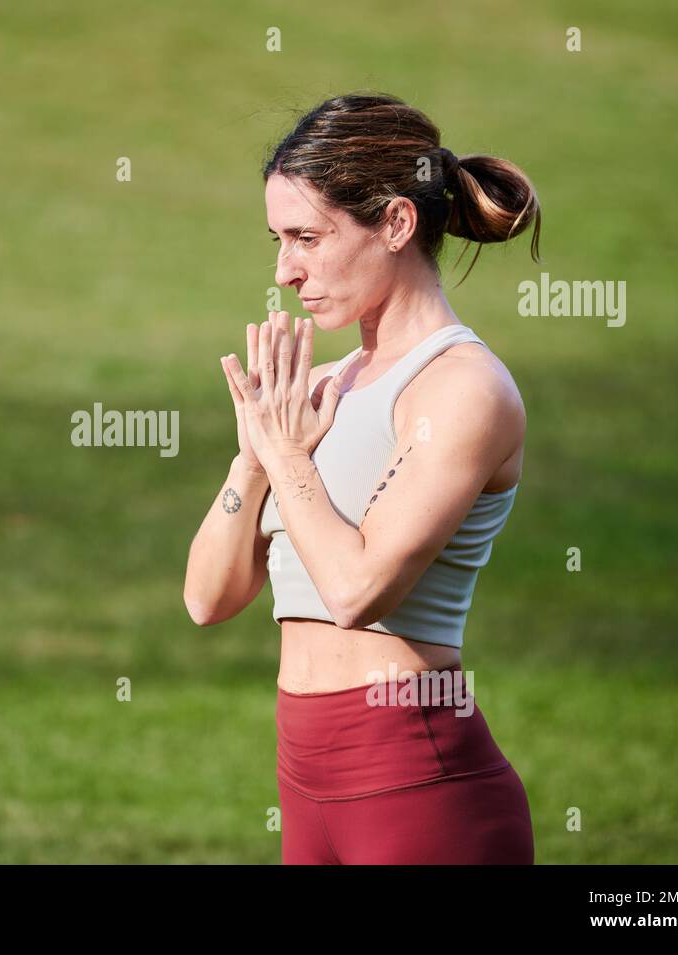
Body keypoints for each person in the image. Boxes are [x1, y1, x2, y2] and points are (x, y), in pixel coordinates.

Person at [183, 92, 541, 864]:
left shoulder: (461, 389)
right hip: (304, 784)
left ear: (396, 223)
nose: (284, 271)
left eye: (307, 237)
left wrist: (287, 460)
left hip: (419, 788)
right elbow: (207, 599)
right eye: (278, 239)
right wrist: (255, 454)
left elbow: (357, 591)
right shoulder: (326, 388)